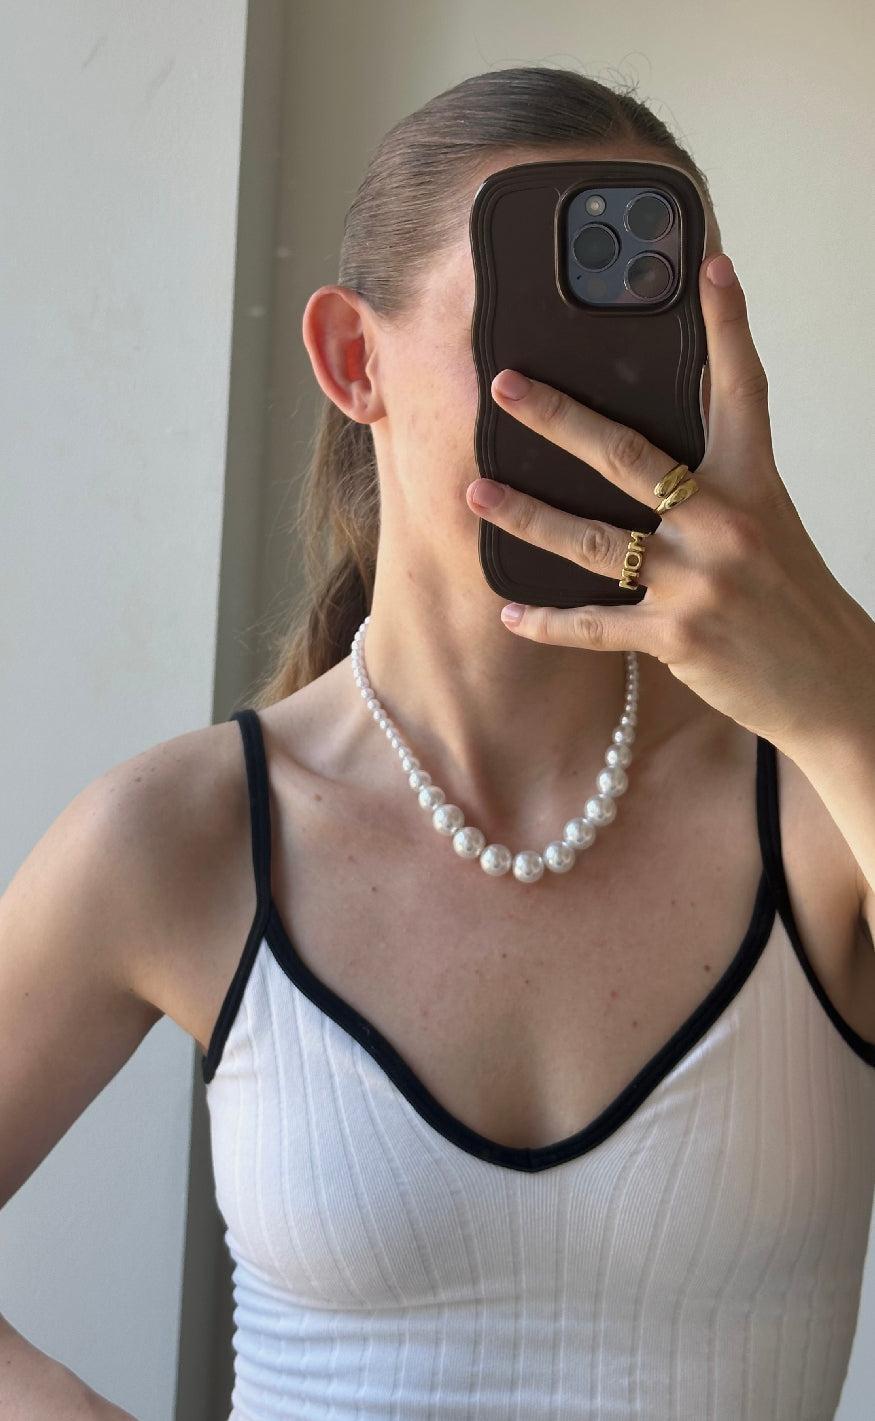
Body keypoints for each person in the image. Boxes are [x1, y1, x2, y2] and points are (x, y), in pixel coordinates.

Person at [2, 65, 875, 1421]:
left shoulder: (819, 806)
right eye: (536, 328)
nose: (602, 397)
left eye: (647, 333)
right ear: (355, 360)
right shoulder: (185, 836)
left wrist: (845, 691)